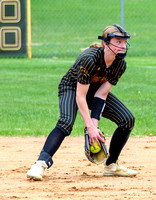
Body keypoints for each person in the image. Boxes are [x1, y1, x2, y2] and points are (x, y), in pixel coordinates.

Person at [27, 24, 138, 181]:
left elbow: (101, 93)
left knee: (127, 120)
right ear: (106, 43)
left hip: (93, 91)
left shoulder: (120, 64)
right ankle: (40, 164)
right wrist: (89, 127)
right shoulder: (89, 59)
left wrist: (94, 124)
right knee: (66, 123)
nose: (123, 46)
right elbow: (80, 96)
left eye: (124, 42)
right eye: (118, 42)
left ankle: (111, 165)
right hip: (71, 88)